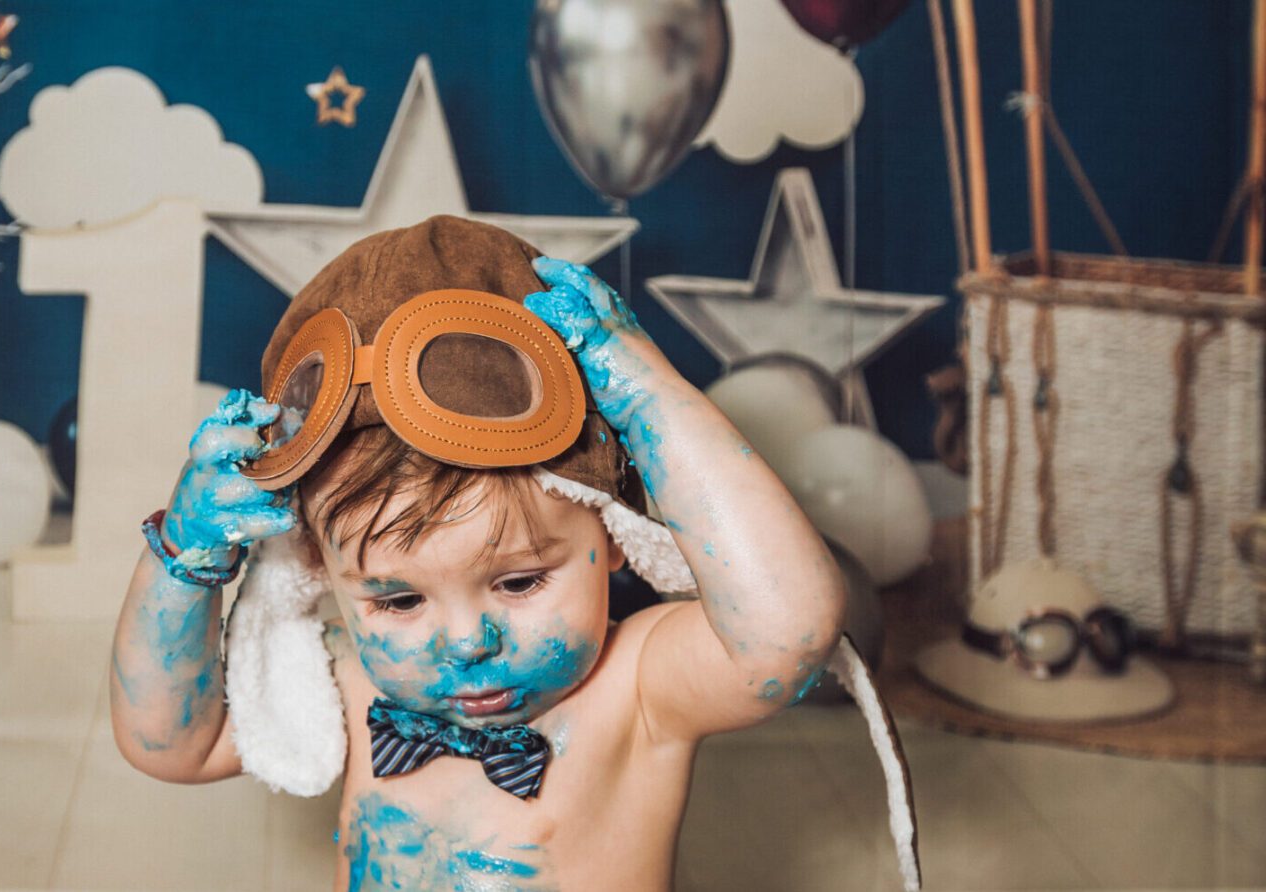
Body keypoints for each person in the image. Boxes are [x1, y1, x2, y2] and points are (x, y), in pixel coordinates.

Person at [109, 216, 918, 891]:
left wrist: (646, 395)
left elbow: (792, 630)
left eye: (521, 580)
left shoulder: (637, 687)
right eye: (397, 600)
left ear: (609, 535)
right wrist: (185, 558)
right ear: (317, 571)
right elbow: (167, 742)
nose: (467, 643)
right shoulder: (346, 683)